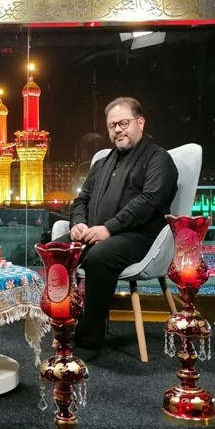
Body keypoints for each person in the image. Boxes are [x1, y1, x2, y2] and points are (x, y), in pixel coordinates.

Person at [64, 97, 178, 361]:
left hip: (140, 237)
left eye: (123, 123)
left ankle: (88, 340)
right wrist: (78, 223)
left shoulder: (159, 159)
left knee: (100, 257)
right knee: (55, 250)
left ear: (141, 122)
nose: (117, 129)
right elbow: (81, 199)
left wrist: (108, 229)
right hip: (95, 233)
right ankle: (64, 323)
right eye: (112, 125)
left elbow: (149, 202)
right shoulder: (102, 163)